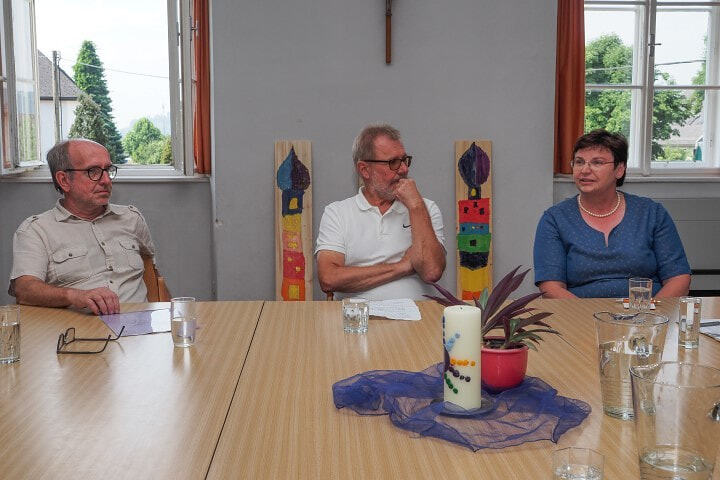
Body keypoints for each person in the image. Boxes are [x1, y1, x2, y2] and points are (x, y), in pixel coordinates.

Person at [533, 129, 691, 299]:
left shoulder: (651, 213)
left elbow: (679, 278)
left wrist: (649, 312)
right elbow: (550, 287)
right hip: (579, 312)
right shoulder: (555, 219)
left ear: (619, 169)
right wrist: (587, 314)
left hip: (647, 311)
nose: (584, 170)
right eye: (579, 162)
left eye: (597, 163)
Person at [9, 139, 157, 315]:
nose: (106, 180)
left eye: (108, 170)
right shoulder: (36, 230)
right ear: (64, 180)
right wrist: (74, 296)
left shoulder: (131, 218)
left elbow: (152, 273)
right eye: (93, 171)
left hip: (138, 325)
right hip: (78, 328)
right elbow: (24, 289)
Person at [315, 123, 446, 300]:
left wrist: (415, 206)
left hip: (418, 314)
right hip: (358, 315)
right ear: (365, 170)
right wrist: (403, 266)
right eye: (393, 162)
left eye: (404, 160)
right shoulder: (337, 213)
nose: (404, 169)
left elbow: (432, 272)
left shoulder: (426, 209)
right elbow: (329, 279)